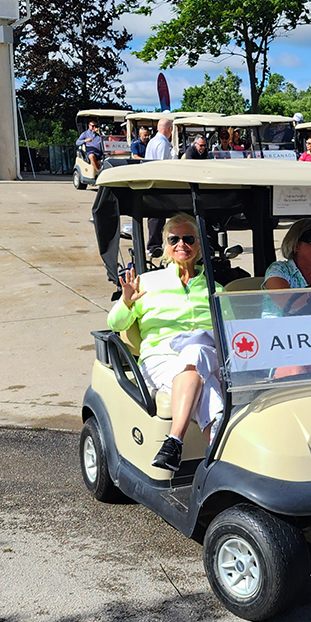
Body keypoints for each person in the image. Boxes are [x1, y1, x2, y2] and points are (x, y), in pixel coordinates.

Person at [105, 213, 222, 472]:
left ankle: (174, 443)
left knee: (198, 353)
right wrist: (126, 302)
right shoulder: (147, 282)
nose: (182, 244)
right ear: (166, 246)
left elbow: (231, 331)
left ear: (199, 245)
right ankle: (220, 459)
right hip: (160, 358)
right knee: (209, 385)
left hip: (209, 356)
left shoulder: (214, 288)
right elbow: (115, 324)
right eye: (174, 239)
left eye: (189, 239)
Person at [143, 115, 175, 258]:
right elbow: (163, 165)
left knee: (155, 217)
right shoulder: (162, 143)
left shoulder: (152, 141)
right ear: (169, 129)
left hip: (151, 180)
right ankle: (154, 246)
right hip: (159, 183)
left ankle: (153, 245)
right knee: (157, 217)